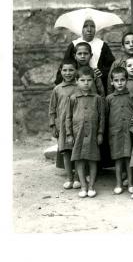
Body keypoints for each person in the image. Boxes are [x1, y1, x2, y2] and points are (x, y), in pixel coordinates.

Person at [65, 66, 105, 198]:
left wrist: (100, 133)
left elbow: (101, 117)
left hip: (93, 133)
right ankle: (83, 185)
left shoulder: (97, 98)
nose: (86, 83)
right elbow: (68, 117)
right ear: (76, 81)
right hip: (78, 133)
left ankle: (91, 186)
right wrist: (69, 134)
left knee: (93, 159)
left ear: (93, 81)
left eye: (89, 80)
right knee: (79, 160)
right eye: (82, 80)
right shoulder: (73, 98)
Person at [55, 18, 115, 93]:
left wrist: (102, 72)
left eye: (92, 26)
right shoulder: (74, 45)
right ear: (81, 28)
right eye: (85, 26)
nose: (89, 29)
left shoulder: (102, 45)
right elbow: (65, 65)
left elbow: (112, 66)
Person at [105, 67, 133, 195]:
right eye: (116, 80)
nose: (120, 83)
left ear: (127, 80)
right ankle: (118, 184)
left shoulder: (132, 96)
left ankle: (130, 183)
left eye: (122, 80)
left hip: (129, 132)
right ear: (112, 82)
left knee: (129, 158)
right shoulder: (109, 98)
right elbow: (106, 116)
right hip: (115, 132)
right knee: (118, 159)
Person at [49, 58, 79, 189]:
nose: (68, 73)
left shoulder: (80, 86)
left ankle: (78, 177)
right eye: (65, 70)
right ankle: (69, 177)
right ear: (60, 71)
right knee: (66, 151)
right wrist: (52, 125)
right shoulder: (57, 89)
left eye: (71, 70)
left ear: (76, 71)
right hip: (62, 125)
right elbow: (52, 109)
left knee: (77, 151)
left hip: (77, 124)